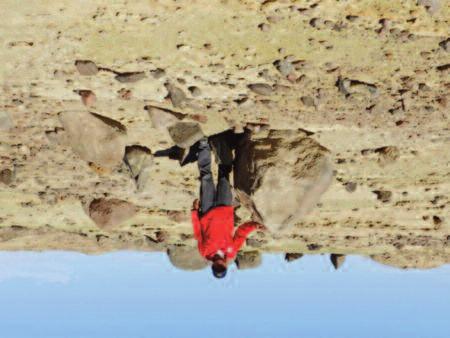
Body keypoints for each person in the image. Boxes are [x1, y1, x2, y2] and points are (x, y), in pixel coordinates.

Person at [191, 136, 265, 279]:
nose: (218, 263)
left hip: (207, 210)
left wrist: (194, 212)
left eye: (216, 267)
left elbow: (198, 233)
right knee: (224, 175)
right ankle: (221, 142)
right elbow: (241, 233)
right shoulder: (232, 252)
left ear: (212, 266)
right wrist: (255, 226)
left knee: (206, 176)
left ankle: (204, 144)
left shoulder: (204, 252)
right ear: (225, 266)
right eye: (221, 267)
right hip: (225, 208)